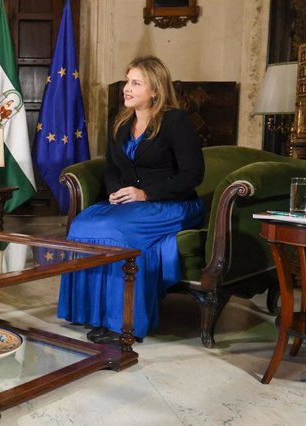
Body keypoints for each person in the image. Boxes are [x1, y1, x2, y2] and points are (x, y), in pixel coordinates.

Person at [57, 55, 205, 343]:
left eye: (136, 83)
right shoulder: (121, 122)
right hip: (131, 203)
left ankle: (121, 322)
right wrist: (114, 192)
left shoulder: (176, 121)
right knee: (81, 224)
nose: (127, 87)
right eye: (127, 81)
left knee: (116, 232)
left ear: (155, 90)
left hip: (173, 204)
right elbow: (112, 169)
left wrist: (146, 194)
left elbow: (193, 175)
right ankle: (94, 313)